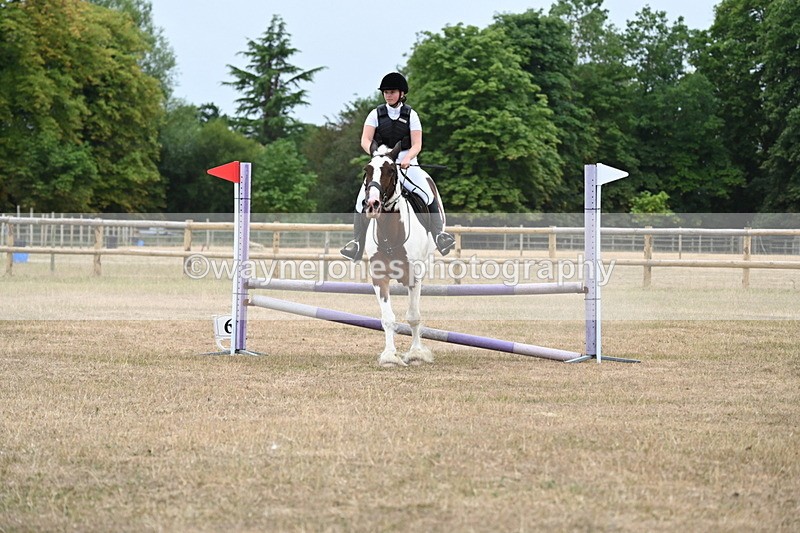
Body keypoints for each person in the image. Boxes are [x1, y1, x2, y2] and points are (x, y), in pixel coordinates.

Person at [340, 72, 455, 261]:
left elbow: (417, 144)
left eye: (392, 92)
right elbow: (365, 140)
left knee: (426, 193)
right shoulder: (375, 114)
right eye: (385, 92)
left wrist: (408, 157)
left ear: (401, 93)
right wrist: (377, 155)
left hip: (406, 163)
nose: (388, 95)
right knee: (362, 198)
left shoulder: (411, 115)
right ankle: (357, 244)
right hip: (382, 163)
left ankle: (439, 236)